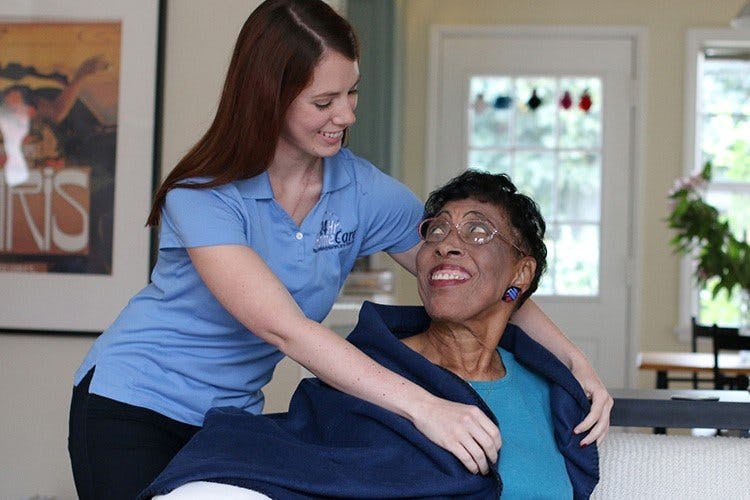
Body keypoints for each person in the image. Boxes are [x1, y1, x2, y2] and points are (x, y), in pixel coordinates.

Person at [67, 1, 611, 498]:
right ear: (268, 98)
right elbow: (286, 328)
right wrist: (425, 408)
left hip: (229, 418)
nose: (347, 115)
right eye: (324, 101)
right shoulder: (205, 195)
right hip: (132, 404)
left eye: (352, 92)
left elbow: (478, 277)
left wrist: (576, 362)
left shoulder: (360, 190)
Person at [140, 171, 599, 499]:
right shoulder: (373, 372)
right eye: (436, 230)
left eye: (478, 231)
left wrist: (578, 363)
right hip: (138, 395)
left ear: (521, 271)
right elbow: (306, 465)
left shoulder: (553, 394)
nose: (446, 243)